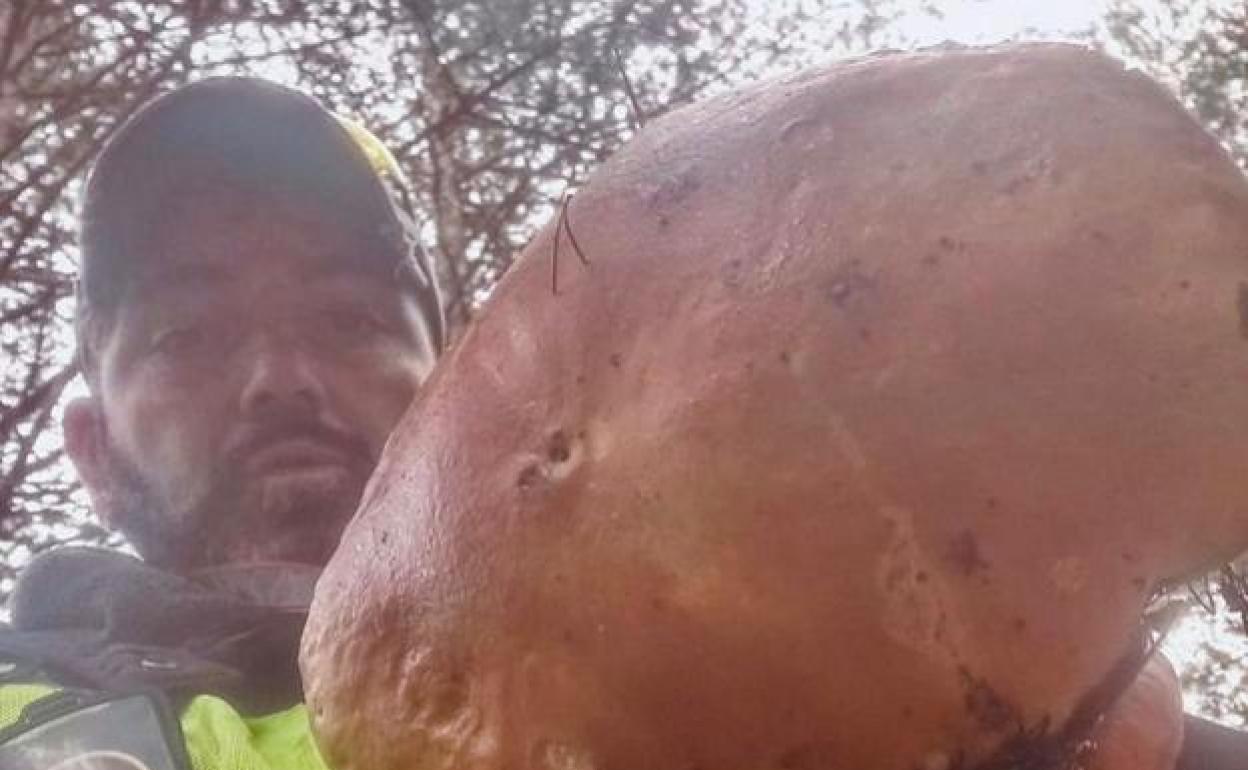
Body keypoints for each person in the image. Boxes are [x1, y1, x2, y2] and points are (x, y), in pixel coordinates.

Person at [0, 77, 443, 770]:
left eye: (350, 319)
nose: (281, 377)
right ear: (95, 453)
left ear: (465, 404)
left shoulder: (649, 666)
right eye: (186, 335)